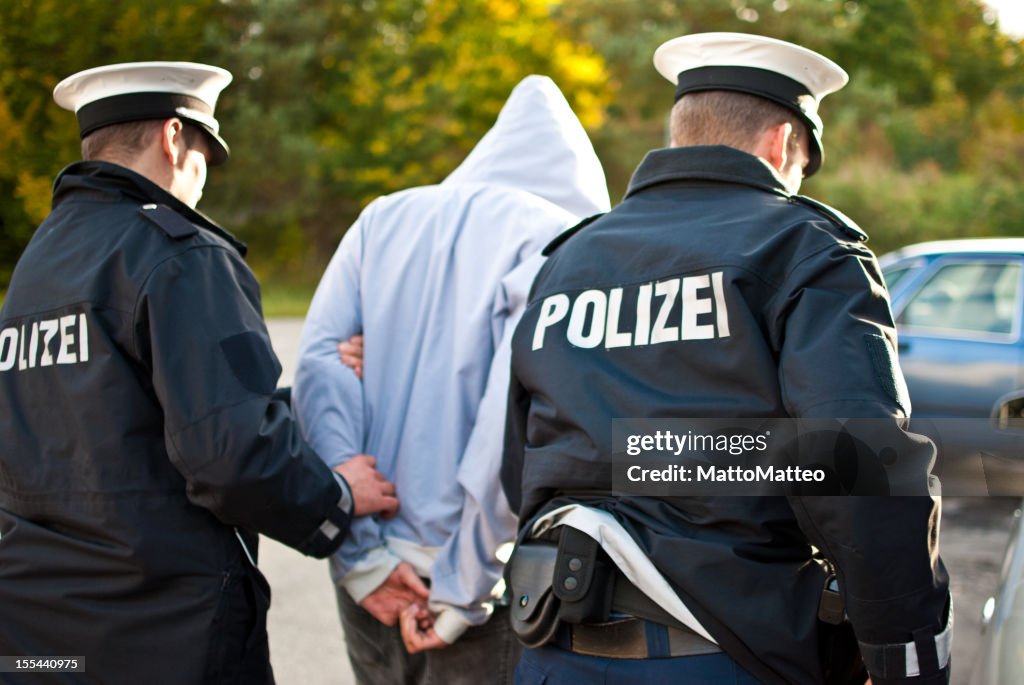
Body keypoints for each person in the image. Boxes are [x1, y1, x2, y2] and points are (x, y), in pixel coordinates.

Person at [501, 33, 951, 685]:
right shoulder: (806, 246)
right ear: (781, 143)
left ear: (685, 132)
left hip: (553, 652)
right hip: (727, 653)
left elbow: (524, 460)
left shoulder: (567, 261)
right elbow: (859, 470)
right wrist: (907, 653)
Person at [0, 61, 398, 685]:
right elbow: (229, 454)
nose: (204, 176)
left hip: (34, 638)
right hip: (158, 635)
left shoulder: (41, 262)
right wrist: (338, 496)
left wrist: (307, 400)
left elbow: (110, 417)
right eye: (207, 153)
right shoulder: (180, 255)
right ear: (173, 136)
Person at [293, 75, 610, 685]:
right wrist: (464, 591)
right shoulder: (559, 241)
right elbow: (509, 429)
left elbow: (320, 371)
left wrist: (361, 558)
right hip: (475, 584)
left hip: (370, 570)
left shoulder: (381, 219)